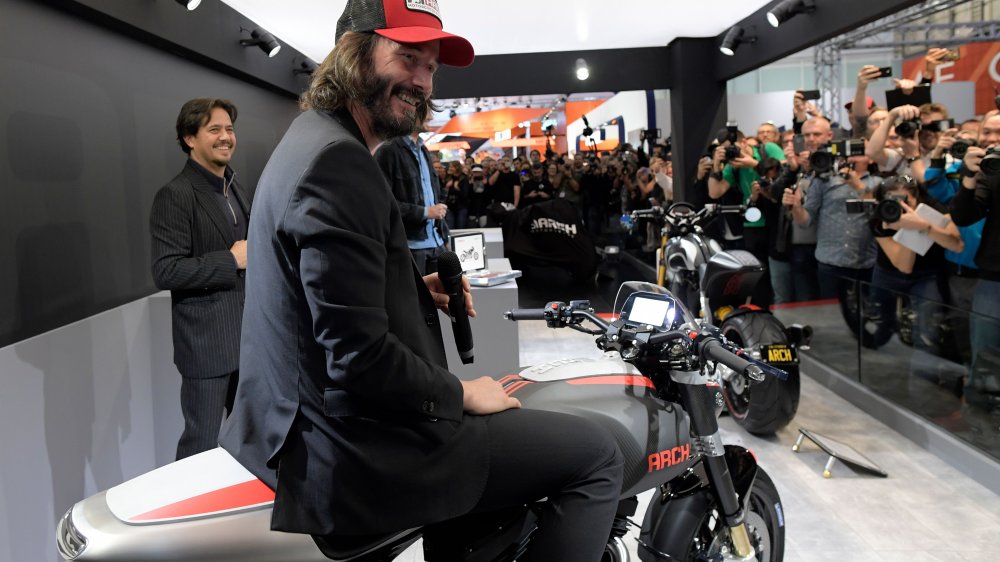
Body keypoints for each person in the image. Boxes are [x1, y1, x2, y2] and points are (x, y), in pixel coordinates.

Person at [219, 2, 623, 560]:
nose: (422, 80)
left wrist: (407, 291)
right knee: (599, 454)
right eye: (407, 57)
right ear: (352, 55)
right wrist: (459, 394)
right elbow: (358, 356)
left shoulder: (314, 141)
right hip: (354, 449)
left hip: (315, 429)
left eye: (431, 66)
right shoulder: (339, 164)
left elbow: (316, 300)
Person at [150, 97, 250, 460]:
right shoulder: (174, 195)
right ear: (190, 138)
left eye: (229, 129)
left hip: (247, 339)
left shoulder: (234, 186)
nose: (226, 137)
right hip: (207, 346)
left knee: (248, 442)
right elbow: (166, 269)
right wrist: (231, 260)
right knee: (200, 448)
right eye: (214, 130)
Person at [375, 115, 448, 275]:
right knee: (416, 300)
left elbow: (434, 191)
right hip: (411, 248)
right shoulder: (388, 150)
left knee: (442, 299)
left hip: (436, 243)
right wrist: (425, 212)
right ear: (412, 112)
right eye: (426, 111)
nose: (430, 116)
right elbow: (383, 203)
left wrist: (443, 234)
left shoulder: (423, 149)